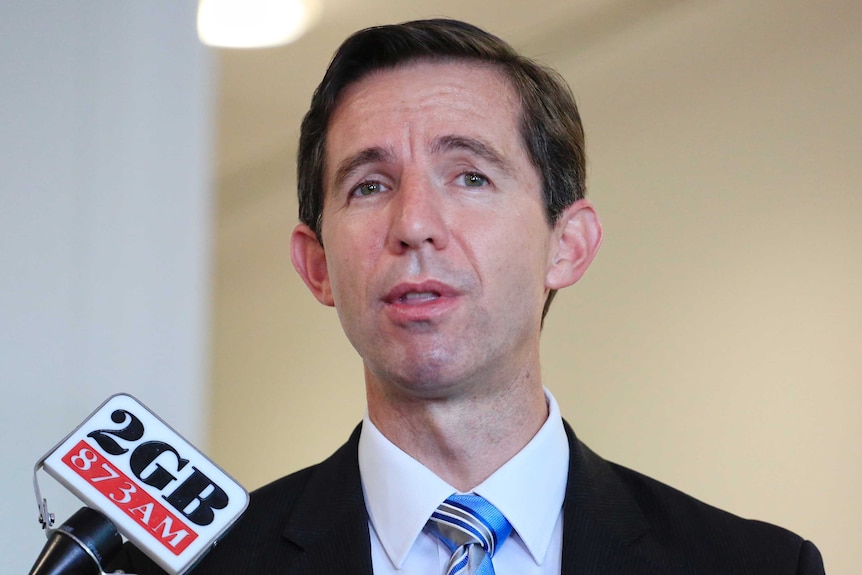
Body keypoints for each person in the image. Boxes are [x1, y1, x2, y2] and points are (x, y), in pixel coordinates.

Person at [111, 18, 825, 575]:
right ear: (317, 264)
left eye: (470, 176)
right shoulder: (204, 566)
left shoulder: (753, 564)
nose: (415, 224)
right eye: (369, 185)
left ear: (567, 244)